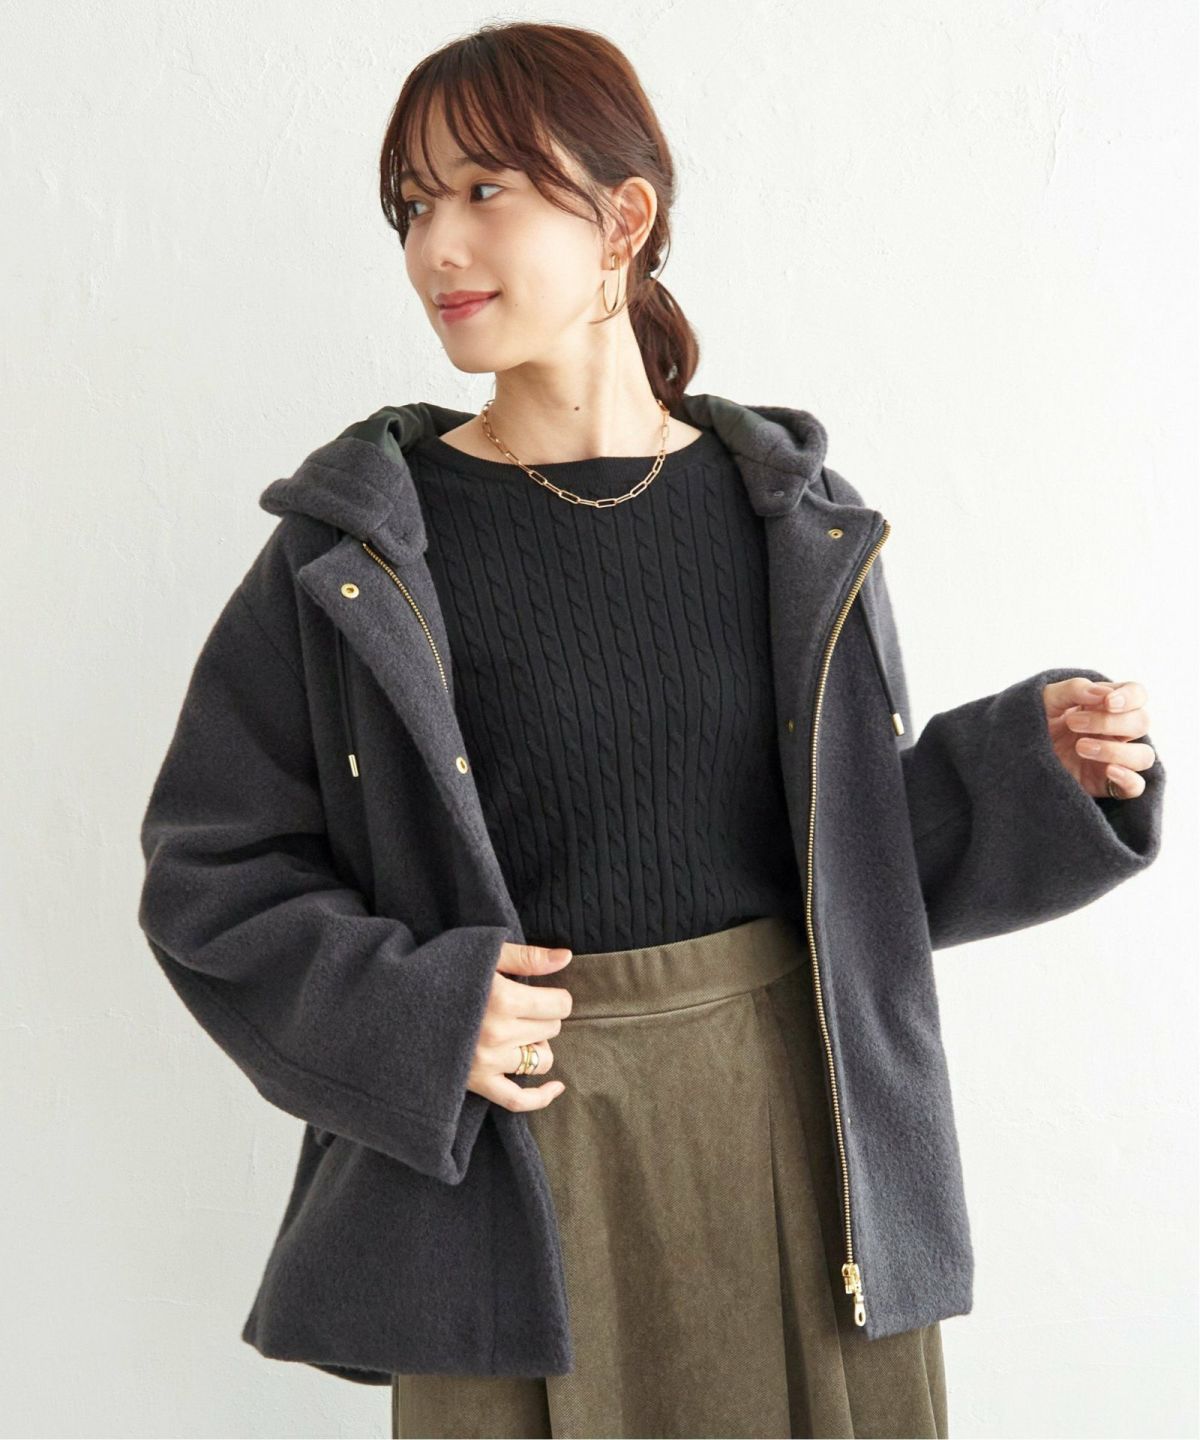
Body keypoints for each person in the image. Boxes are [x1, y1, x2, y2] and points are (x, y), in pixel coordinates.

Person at [138, 20, 1165, 1440]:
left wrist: (1025, 776)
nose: (437, 246)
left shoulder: (792, 520)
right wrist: (420, 1014)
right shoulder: (361, 548)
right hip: (510, 1181)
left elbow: (851, 862)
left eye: (484, 189)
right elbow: (211, 873)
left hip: (803, 1137)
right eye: (412, 205)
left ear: (623, 220)